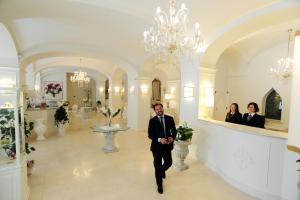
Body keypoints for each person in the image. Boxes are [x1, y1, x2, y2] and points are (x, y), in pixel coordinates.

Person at [148, 103, 177, 194]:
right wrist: (160, 139)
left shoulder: (170, 118)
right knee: (157, 166)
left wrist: (172, 137)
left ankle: (162, 171)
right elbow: (150, 135)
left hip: (167, 145)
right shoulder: (152, 121)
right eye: (157, 109)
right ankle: (159, 185)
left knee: (169, 162)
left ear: (162, 108)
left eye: (160, 108)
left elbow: (174, 130)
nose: (159, 110)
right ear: (155, 111)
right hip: (156, 147)